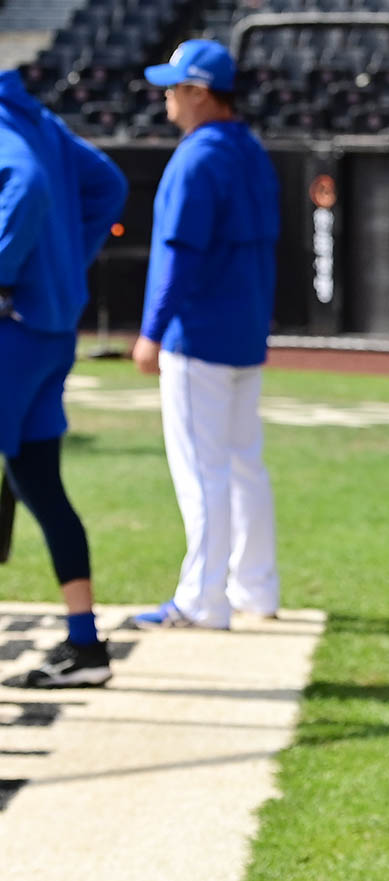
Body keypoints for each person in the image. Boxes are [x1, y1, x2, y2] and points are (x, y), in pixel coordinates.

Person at [130, 40, 281, 630]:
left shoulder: (196, 158)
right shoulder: (250, 151)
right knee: (244, 464)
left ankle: (201, 600)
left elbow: (177, 255)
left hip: (198, 338)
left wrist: (152, 331)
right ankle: (256, 589)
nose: (166, 95)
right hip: (244, 334)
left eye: (174, 85)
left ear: (198, 91)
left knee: (203, 473)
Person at [0, 68, 128, 688]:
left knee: (37, 485)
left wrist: (7, 273)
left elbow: (22, 185)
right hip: (47, 330)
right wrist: (61, 270)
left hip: (13, 333)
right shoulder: (36, 116)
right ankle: (84, 645)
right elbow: (108, 184)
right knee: (38, 484)